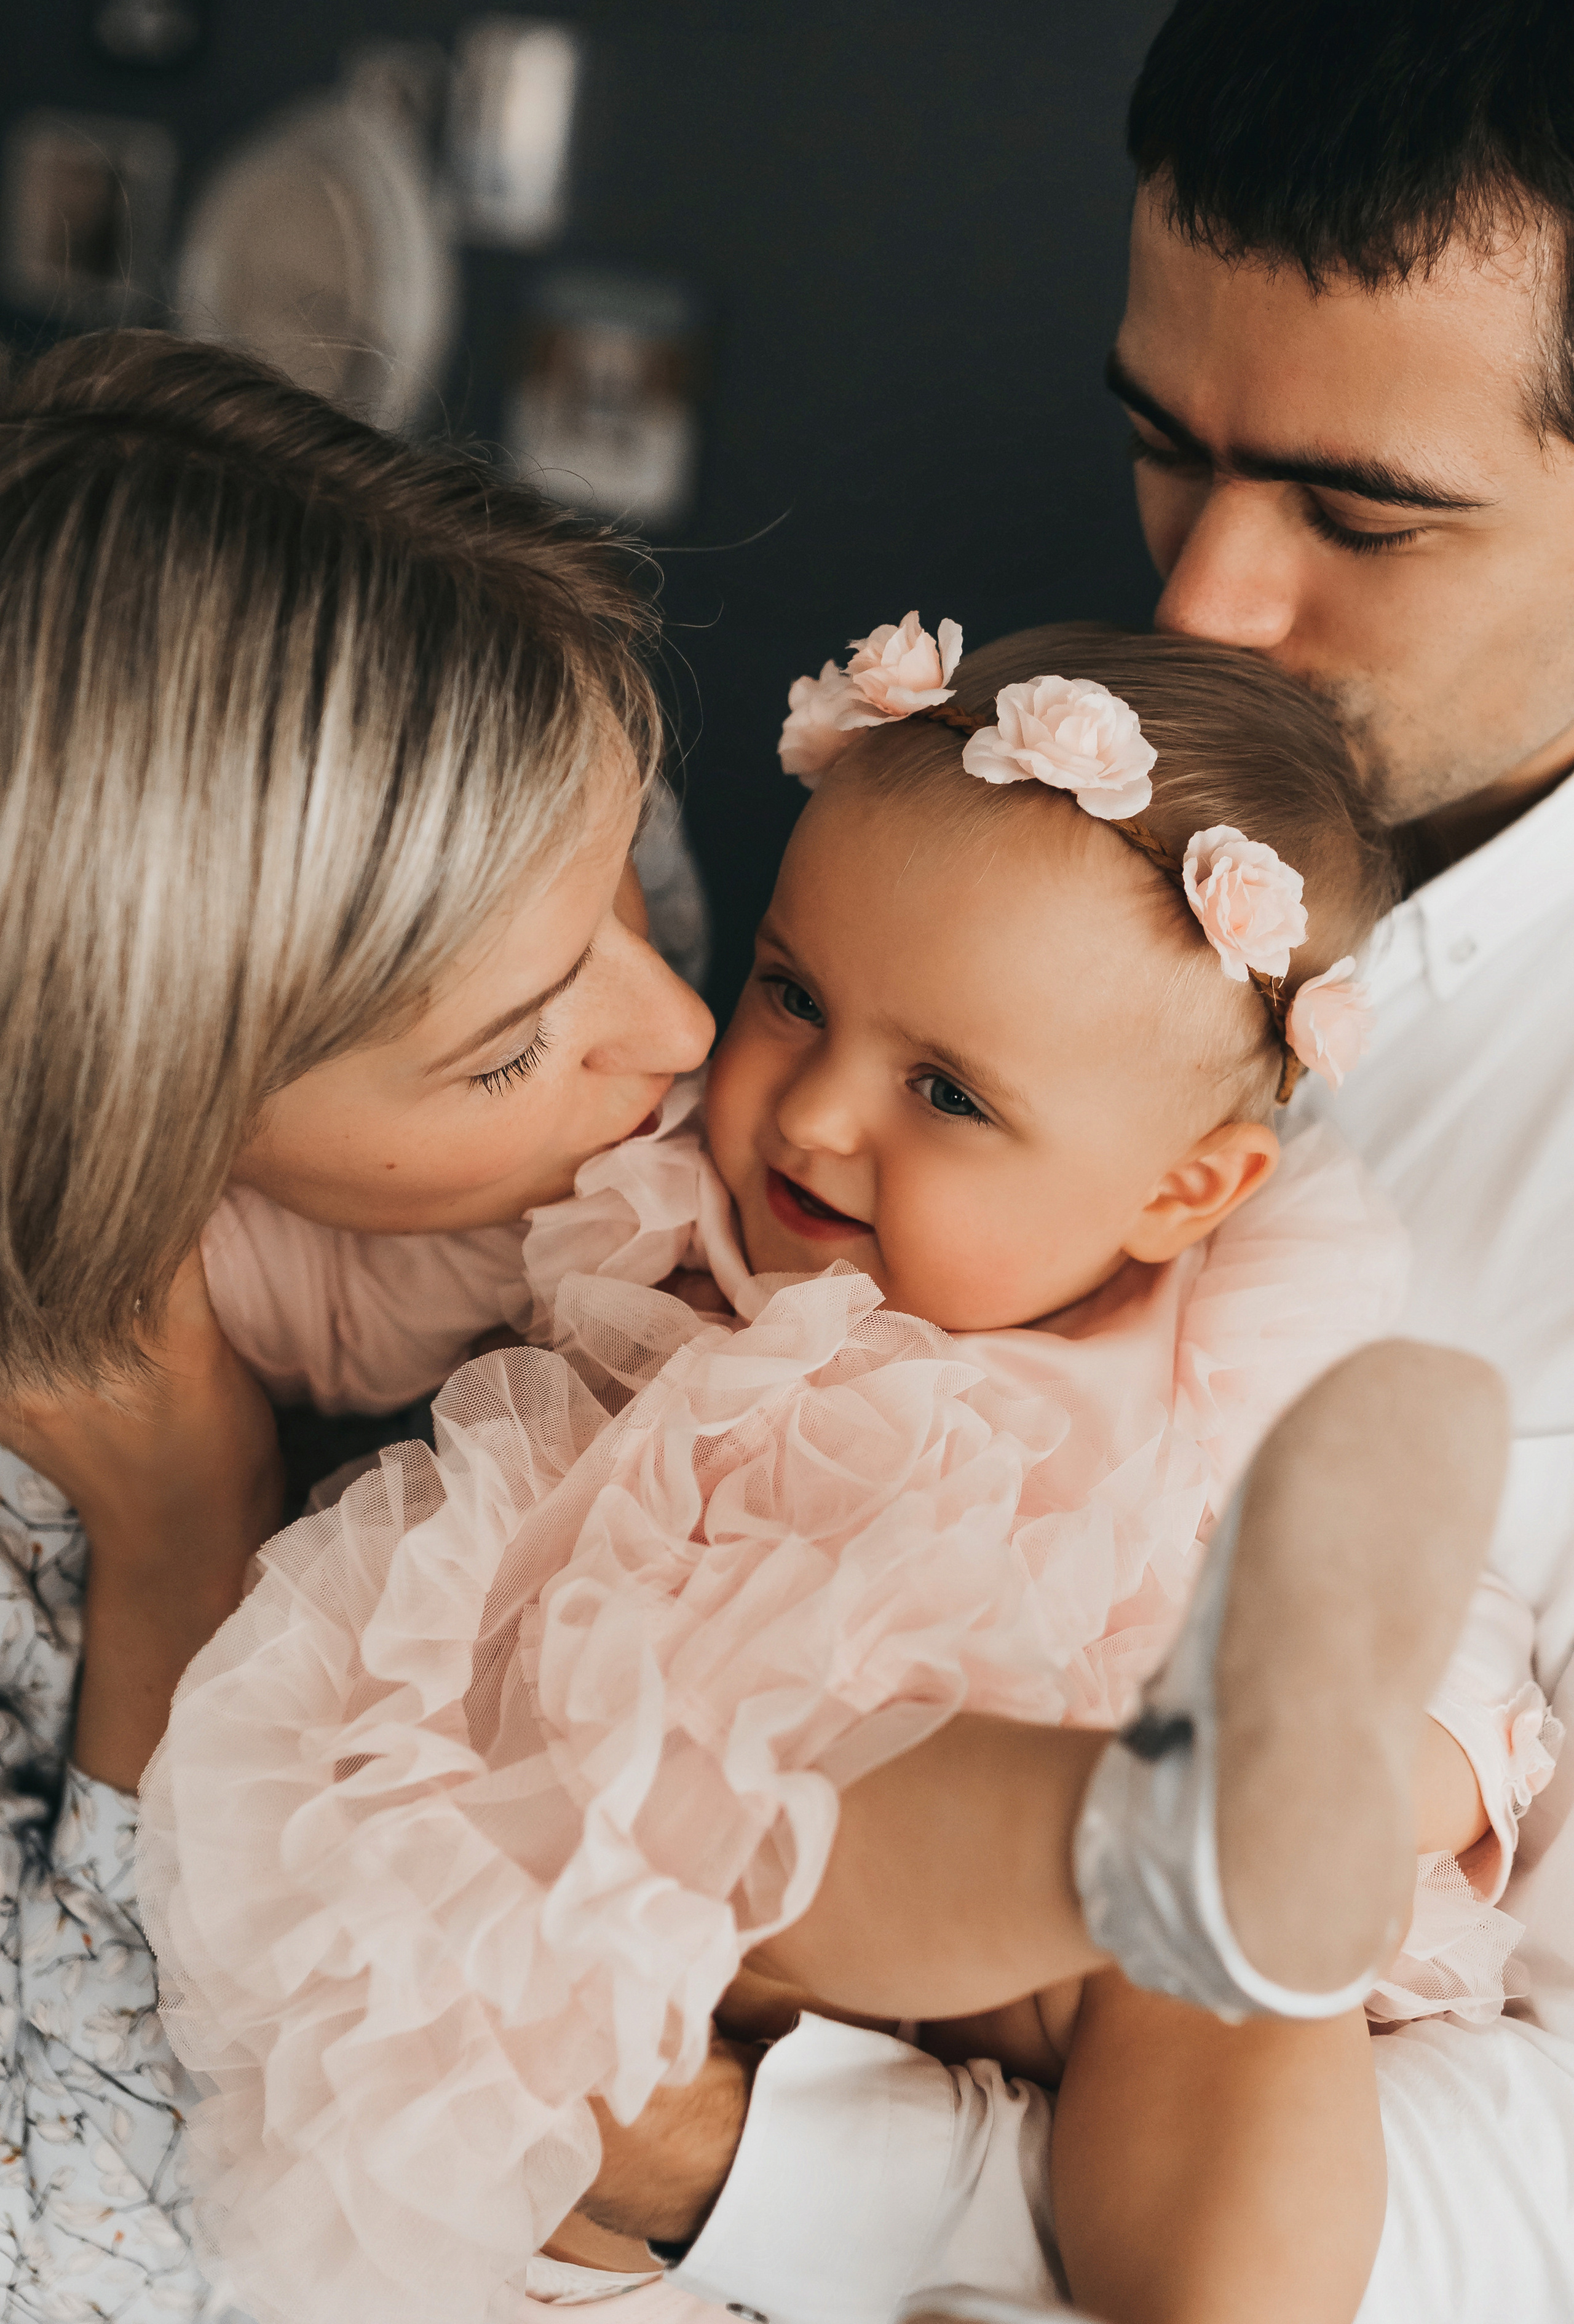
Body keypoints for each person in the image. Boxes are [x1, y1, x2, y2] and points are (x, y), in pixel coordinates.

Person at [141, 617, 1533, 2324]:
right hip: (720, 1879)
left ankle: (1208, 1867)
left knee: (1223, 2027)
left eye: (944, 1091)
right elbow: (310, 1283)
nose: (811, 1116)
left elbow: (1415, 1620)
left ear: (1182, 1193)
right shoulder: (648, 1203)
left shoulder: (1232, 1347)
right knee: (800, 1799)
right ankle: (1165, 1831)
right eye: (793, 995)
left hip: (1077, 1925)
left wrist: (1395, 1771)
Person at [605, 0, 1574, 2319]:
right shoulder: (1026, 794)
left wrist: (729, 2163)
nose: (1205, 598)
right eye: (1166, 443)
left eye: (1362, 509)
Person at [0, 325, 718, 2317]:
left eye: (622, 903)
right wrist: (178, 1536)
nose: (676, 1037)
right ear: (157, 1108)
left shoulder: (543, 882)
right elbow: (110, 2262)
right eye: (512, 1051)